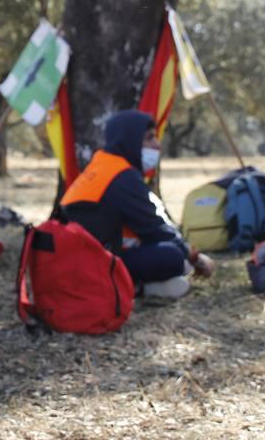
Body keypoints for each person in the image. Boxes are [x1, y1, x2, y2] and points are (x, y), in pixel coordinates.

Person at [60, 111, 214, 299]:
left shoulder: (103, 164)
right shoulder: (122, 176)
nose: (157, 145)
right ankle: (133, 287)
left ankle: (141, 287)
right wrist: (193, 256)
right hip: (95, 263)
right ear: (129, 139)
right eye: (149, 138)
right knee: (172, 256)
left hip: (80, 259)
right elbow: (153, 228)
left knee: (174, 257)